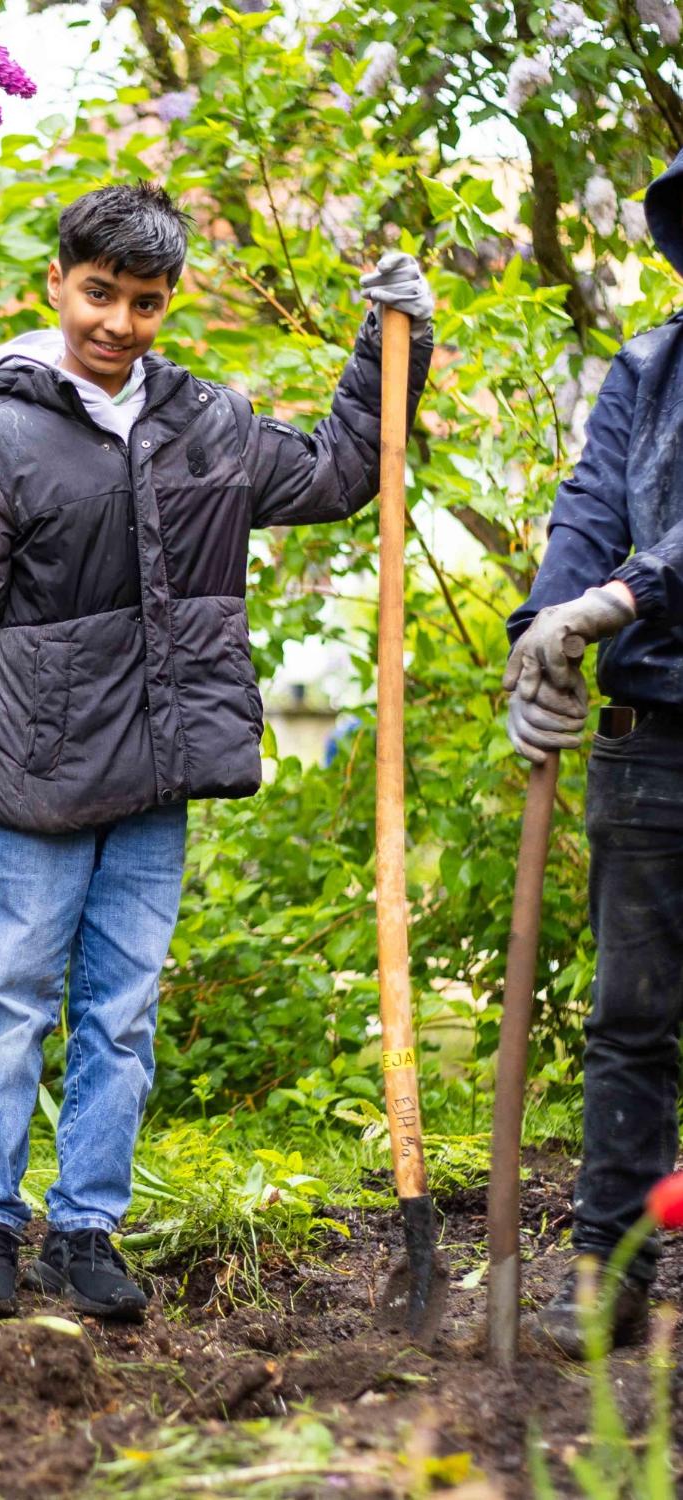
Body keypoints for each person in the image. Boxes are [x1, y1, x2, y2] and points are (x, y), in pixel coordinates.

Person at [0, 182, 434, 1318]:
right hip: (34, 773)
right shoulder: (3, 430)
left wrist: (397, 346)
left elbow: (340, 471)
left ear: (166, 301)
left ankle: (87, 1230)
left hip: (158, 769)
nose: (117, 324)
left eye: (143, 302)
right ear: (57, 283)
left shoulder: (206, 425)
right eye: (99, 294)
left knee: (122, 1013)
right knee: (10, 997)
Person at [504, 150, 683, 1359]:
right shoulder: (649, 367)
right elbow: (588, 511)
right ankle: (607, 1276)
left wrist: (621, 599)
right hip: (652, 742)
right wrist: (541, 635)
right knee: (630, 1018)